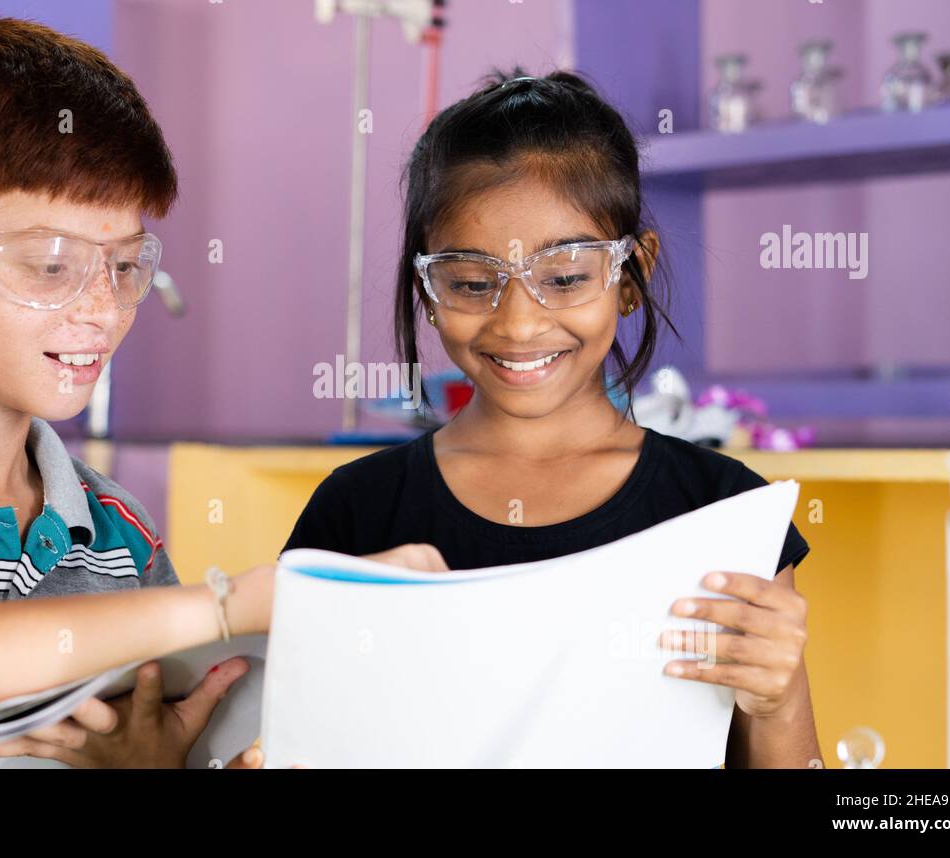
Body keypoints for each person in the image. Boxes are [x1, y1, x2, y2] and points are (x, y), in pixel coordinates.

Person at [0, 11, 442, 770]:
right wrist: (231, 603)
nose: (102, 308)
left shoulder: (119, 534)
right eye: (50, 265)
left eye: (124, 266)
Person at [283, 70, 821, 768]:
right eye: (472, 283)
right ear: (428, 287)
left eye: (565, 277)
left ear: (629, 278)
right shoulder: (356, 513)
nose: (518, 321)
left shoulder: (726, 514)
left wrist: (779, 703)